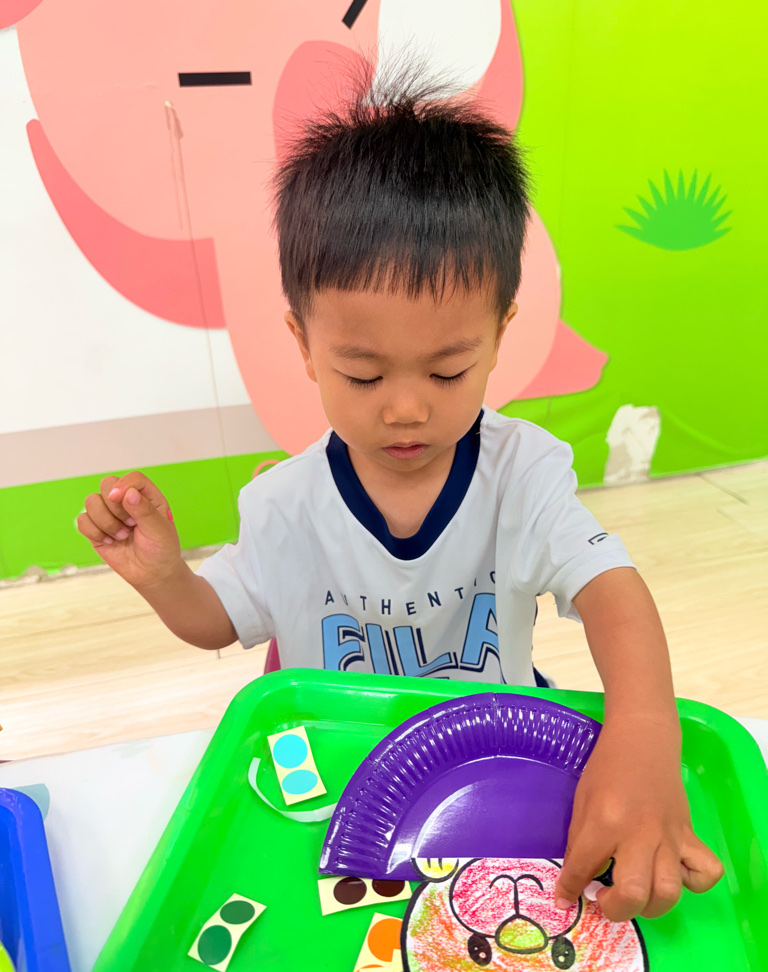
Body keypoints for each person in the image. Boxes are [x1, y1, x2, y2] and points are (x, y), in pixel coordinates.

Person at [76, 73, 722, 922]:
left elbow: (612, 589)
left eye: (448, 371)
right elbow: (218, 621)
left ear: (500, 332)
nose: (408, 408)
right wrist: (166, 578)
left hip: (484, 763)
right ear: (304, 343)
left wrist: (644, 733)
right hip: (338, 778)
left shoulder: (523, 474)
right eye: (364, 374)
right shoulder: (284, 505)